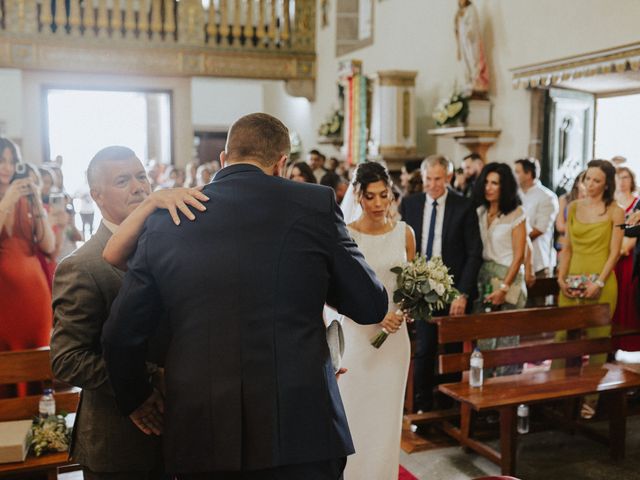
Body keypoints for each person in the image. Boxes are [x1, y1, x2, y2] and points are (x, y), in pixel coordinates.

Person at [101, 113, 388, 480]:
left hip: (201, 432)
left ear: (224, 159)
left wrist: (137, 399)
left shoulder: (167, 218)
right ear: (281, 163)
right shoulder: (315, 204)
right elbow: (370, 305)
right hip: (300, 429)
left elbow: (121, 334)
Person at [50, 145, 208, 480]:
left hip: (181, 435)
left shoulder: (173, 247)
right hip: (119, 442)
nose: (138, 186)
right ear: (97, 195)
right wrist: (148, 378)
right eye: (123, 180)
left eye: (141, 176)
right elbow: (68, 358)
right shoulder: (82, 266)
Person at [339, 162, 415, 480]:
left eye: (384, 195)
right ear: (358, 196)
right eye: (370, 197)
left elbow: (413, 285)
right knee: (354, 412)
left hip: (394, 340)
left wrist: (404, 312)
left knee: (386, 416)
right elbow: (340, 290)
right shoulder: (346, 234)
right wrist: (376, 315)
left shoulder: (405, 233)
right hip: (358, 336)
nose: (378, 204)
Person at [400, 154, 483, 411]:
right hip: (421, 289)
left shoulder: (464, 206)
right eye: (429, 179)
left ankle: (450, 406)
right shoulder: (411, 204)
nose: (433, 184)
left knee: (453, 351)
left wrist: (463, 293)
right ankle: (423, 406)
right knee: (425, 349)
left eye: (439, 179)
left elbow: (474, 253)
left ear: (448, 178)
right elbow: (403, 247)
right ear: (422, 178)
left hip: (453, 289)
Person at [556, 159, 624, 418]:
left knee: (596, 341)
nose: (591, 185)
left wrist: (599, 282)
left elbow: (614, 252)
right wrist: (561, 278)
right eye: (587, 179)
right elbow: (568, 247)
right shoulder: (573, 207)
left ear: (607, 184)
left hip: (602, 281)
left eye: (597, 180)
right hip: (572, 278)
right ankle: (557, 392)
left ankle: (591, 398)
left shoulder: (615, 211)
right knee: (562, 336)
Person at [0, 138, 55, 397]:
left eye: (12, 161)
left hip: (34, 298)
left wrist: (37, 203)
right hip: (4, 300)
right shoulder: (10, 200)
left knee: (37, 363)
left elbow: (49, 245)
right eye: (2, 160)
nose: (7, 167)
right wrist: (8, 200)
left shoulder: (24, 201)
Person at [473, 162, 527, 376]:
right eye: (486, 182)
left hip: (508, 277)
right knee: (485, 337)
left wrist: (504, 287)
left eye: (495, 183)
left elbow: (520, 255)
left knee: (507, 339)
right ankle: (484, 388)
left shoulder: (516, 213)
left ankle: (507, 390)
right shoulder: (479, 211)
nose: (489, 187)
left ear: (505, 187)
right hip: (484, 275)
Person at [514, 158, 559, 280]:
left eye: (517, 172)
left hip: (539, 260)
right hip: (515, 260)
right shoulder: (515, 194)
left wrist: (515, 239)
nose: (514, 175)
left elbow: (540, 229)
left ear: (528, 174)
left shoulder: (547, 197)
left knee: (538, 298)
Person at [611, 167, 640, 351]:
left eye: (625, 177)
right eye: (618, 178)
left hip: (628, 256)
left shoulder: (637, 203)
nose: (622, 181)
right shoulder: (613, 204)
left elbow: (631, 233)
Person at [454, 0, 489, 95]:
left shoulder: (471, 9)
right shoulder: (458, 12)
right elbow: (457, 30)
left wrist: (468, 33)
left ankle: (475, 82)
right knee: (465, 64)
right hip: (463, 43)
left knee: (473, 61)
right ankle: (468, 82)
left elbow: (473, 26)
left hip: (471, 42)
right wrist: (458, 48)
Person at [556, 171, 586, 252]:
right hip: (563, 244)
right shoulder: (564, 199)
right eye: (584, 181)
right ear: (577, 182)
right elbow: (560, 226)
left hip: (583, 245)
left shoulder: (592, 202)